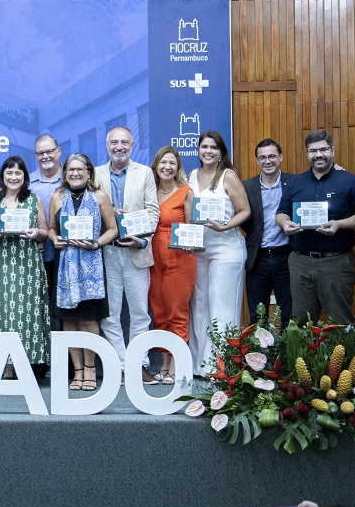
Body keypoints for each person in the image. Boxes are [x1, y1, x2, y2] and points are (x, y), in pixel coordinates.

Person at [276, 130, 355, 326]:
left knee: (340, 322)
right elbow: (281, 212)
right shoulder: (295, 183)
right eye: (313, 151)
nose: (318, 155)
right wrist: (284, 223)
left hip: (336, 262)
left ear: (332, 150)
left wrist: (339, 224)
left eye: (323, 149)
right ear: (307, 153)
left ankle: (346, 357)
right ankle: (302, 359)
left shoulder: (352, 181)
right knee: (300, 324)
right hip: (300, 262)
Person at [48, 153, 118, 391]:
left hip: (91, 266)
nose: (75, 173)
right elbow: (50, 228)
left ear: (89, 173)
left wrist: (97, 243)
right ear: (64, 173)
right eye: (70, 169)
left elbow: (112, 229)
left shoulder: (99, 196)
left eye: (80, 169)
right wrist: (54, 238)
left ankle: (90, 369)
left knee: (88, 320)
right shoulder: (57, 197)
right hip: (65, 268)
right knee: (68, 321)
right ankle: (76, 371)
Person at [94, 127, 160, 383]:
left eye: (124, 142)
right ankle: (120, 366)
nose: (119, 146)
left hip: (135, 252)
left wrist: (142, 240)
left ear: (132, 144)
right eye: (114, 142)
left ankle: (139, 364)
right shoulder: (96, 174)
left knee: (140, 313)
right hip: (107, 253)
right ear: (107, 145)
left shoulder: (144, 173)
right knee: (110, 314)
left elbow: (153, 212)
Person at [0, 156, 50, 376]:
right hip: (2, 265)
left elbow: (45, 232)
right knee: (3, 313)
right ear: (2, 176)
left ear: (24, 177)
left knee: (27, 313)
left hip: (28, 265)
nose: (13, 177)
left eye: (18, 173)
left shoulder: (33, 200)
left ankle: (28, 367)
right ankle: (6, 368)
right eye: (9, 173)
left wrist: (37, 233)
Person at [187, 130, 250, 376]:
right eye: (204, 147)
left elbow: (244, 211)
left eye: (213, 147)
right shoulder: (191, 175)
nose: (208, 151)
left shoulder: (228, 176)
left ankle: (223, 367)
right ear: (198, 150)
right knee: (200, 307)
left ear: (221, 151)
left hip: (227, 249)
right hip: (200, 250)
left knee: (222, 308)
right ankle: (199, 366)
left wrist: (225, 226)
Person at [148, 146, 196, 384]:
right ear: (156, 165)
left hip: (179, 259)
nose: (167, 167)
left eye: (172, 163)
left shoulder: (186, 192)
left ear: (178, 168)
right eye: (163, 162)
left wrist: (190, 241)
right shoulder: (149, 192)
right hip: (152, 259)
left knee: (177, 313)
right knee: (159, 314)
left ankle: (177, 366)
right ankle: (164, 365)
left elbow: (192, 227)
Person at [241, 138, 293, 326]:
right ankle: (259, 356)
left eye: (272, 156)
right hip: (258, 258)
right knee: (257, 317)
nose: (267, 161)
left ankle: (289, 356)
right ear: (257, 161)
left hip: (286, 257)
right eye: (262, 157)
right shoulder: (246, 187)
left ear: (280, 157)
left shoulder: (294, 183)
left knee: (290, 314)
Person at [29, 134, 63, 322]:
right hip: (38, 253)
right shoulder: (27, 183)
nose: (45, 156)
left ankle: (69, 351)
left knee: (68, 308)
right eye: (40, 153)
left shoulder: (74, 177)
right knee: (40, 306)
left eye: (49, 151)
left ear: (58, 151)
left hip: (69, 251)